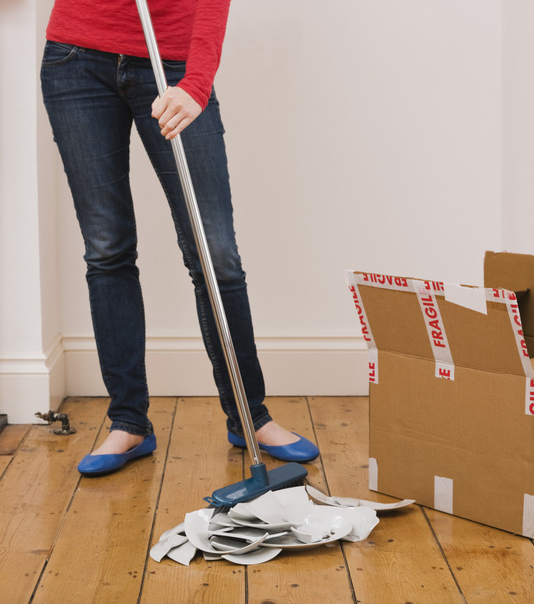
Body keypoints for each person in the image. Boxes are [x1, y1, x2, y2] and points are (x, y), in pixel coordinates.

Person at [41, 0, 319, 476]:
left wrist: (196, 82)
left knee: (216, 255)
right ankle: (129, 423)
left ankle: (250, 416)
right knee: (107, 250)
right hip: (75, 60)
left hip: (172, 64)